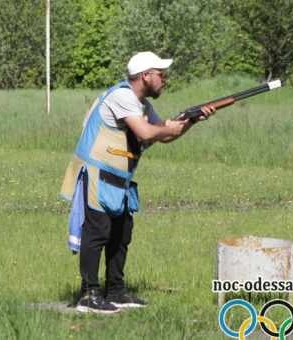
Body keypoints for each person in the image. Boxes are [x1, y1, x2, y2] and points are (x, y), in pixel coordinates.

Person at [60, 51, 216, 314]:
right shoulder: (123, 97)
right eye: (161, 74)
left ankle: (116, 291)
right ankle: (89, 295)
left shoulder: (141, 104)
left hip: (118, 179)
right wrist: (172, 126)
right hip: (98, 175)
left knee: (121, 234)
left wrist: (190, 122)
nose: (164, 80)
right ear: (146, 76)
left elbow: (163, 136)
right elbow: (147, 132)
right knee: (97, 234)